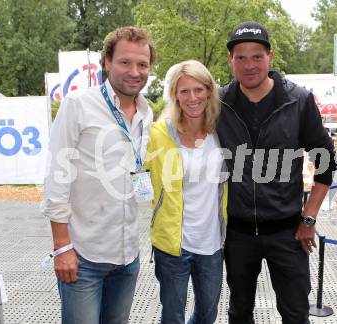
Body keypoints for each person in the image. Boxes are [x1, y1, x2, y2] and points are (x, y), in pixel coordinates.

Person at [216, 21, 337, 323]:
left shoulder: (299, 101)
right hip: (238, 233)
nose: (249, 65)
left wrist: (309, 219)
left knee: (295, 313)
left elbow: (326, 164)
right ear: (230, 60)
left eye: (257, 56)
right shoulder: (217, 103)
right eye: (240, 57)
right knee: (239, 312)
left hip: (288, 232)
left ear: (270, 57)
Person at [40, 26, 155, 324]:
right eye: (125, 62)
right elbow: (57, 177)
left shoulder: (146, 112)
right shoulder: (78, 105)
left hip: (127, 255)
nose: (134, 71)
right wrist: (61, 247)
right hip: (83, 255)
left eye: (142, 64)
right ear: (106, 62)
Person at [144, 60, 228, 324]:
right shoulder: (158, 133)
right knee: (172, 317)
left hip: (212, 243)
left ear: (209, 91)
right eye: (184, 91)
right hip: (172, 245)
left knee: (207, 315)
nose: (193, 98)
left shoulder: (222, 131)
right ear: (175, 96)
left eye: (199, 90)